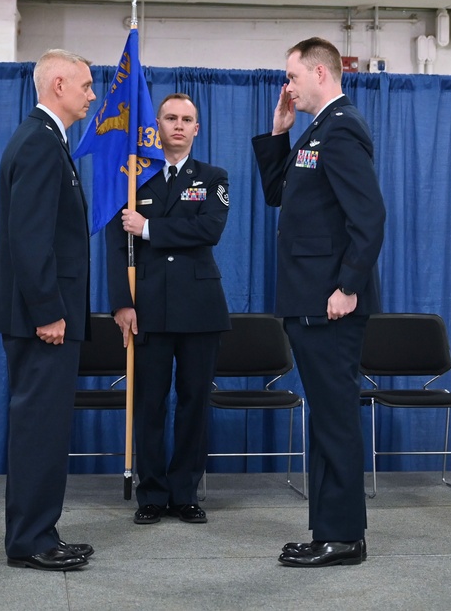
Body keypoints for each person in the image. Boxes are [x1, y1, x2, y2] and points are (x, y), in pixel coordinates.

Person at [252, 37, 386, 568]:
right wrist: (279, 135)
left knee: (334, 420)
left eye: (292, 77)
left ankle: (344, 536)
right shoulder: (315, 129)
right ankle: (329, 529)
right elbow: (278, 193)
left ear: (320, 73)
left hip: (331, 303)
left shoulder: (343, 126)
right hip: (310, 298)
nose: (287, 87)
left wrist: (348, 286)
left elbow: (369, 217)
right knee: (326, 418)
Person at [0, 49, 96, 571]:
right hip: (43, 320)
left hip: (44, 315)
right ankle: (32, 540)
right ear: (58, 84)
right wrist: (49, 311)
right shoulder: (38, 142)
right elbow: (30, 239)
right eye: (85, 86)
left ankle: (38, 532)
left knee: (46, 428)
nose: (92, 95)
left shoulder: (47, 139)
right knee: (39, 428)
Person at [107, 93, 231, 525]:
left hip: (199, 308)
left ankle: (185, 492)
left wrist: (150, 228)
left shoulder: (213, 177)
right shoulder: (133, 180)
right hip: (149, 308)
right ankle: (153, 494)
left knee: (195, 402)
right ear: (156, 124)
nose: (179, 125)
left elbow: (209, 229)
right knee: (150, 403)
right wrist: (121, 302)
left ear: (197, 129)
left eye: (187, 119)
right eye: (171, 118)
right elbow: (113, 245)